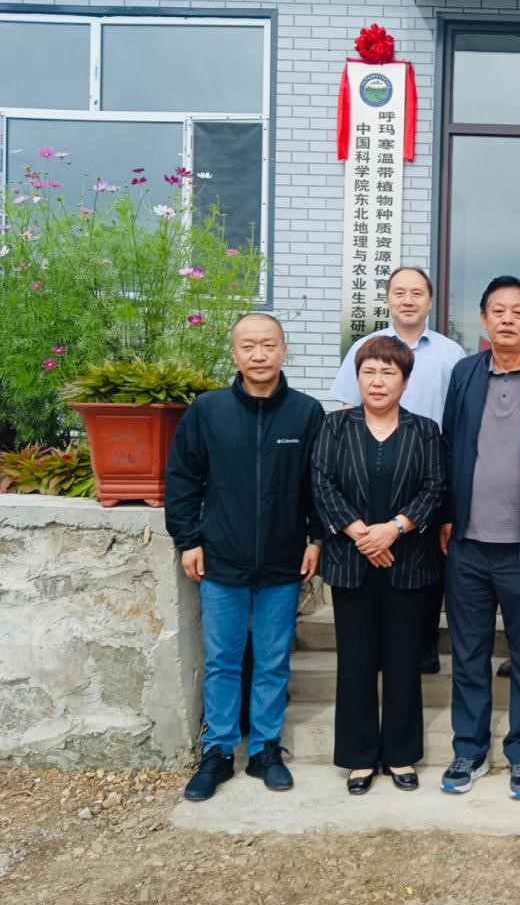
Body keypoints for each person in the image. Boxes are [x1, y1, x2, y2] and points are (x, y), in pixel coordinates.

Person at [165, 312, 324, 801]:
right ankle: (217, 751)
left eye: (268, 345)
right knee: (222, 661)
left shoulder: (306, 413)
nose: (259, 355)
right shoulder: (208, 410)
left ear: (283, 350)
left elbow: (318, 484)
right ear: (234, 353)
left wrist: (316, 538)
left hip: (283, 560)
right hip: (221, 560)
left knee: (273, 661)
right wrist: (188, 539)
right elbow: (183, 478)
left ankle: (265, 750)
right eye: (249, 346)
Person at [438, 277, 520, 800]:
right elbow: (449, 446)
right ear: (484, 319)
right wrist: (447, 514)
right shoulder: (465, 374)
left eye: (519, 311)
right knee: (469, 654)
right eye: (498, 311)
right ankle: (469, 750)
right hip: (468, 544)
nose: (508, 319)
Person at [311, 335, 446, 795]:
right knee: (356, 661)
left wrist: (394, 529)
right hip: (351, 563)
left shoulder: (425, 430)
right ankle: (359, 757)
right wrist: (361, 534)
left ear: (405, 382)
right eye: (369, 371)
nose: (378, 381)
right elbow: (322, 483)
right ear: (357, 378)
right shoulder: (334, 426)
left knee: (404, 660)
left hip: (408, 563)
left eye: (389, 372)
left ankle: (401, 753)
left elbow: (435, 488)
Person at [330, 266, 464, 675]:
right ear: (388, 299)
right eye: (399, 292)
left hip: (428, 473)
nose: (408, 300)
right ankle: (374, 648)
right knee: (372, 560)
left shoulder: (450, 353)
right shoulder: (365, 347)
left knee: (426, 565)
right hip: (369, 472)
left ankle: (422, 644)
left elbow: (458, 418)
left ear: (430, 301)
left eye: (417, 293)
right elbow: (347, 410)